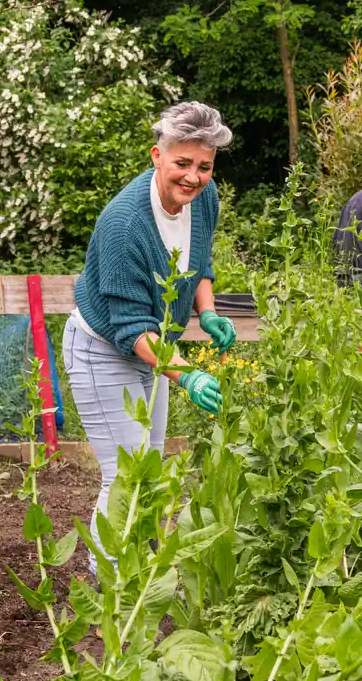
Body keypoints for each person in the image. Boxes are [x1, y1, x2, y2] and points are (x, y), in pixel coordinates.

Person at [63, 101, 240, 581]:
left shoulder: (203, 198)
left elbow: (198, 263)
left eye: (204, 166)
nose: (193, 177)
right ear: (156, 156)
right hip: (104, 347)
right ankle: (111, 588)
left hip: (154, 350)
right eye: (182, 163)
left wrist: (208, 311)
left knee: (151, 471)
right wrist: (187, 375)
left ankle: (140, 573)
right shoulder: (124, 225)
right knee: (124, 476)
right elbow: (132, 327)